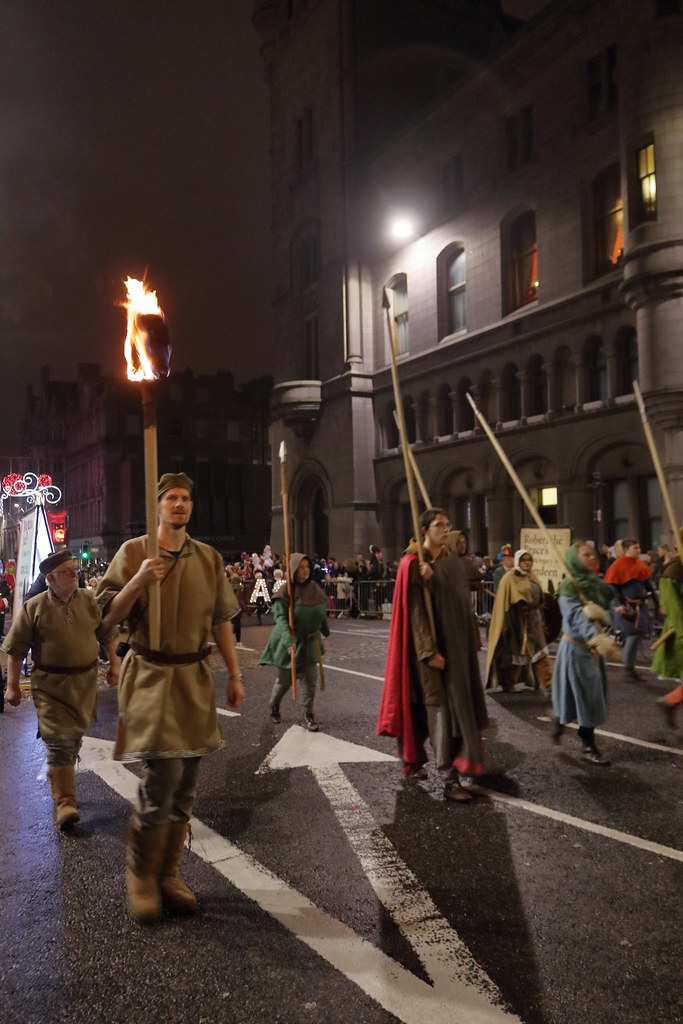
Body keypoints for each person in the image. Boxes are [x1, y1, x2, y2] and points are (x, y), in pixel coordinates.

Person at [97, 472, 243, 924]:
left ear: (191, 507)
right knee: (163, 774)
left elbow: (222, 619)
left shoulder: (209, 558)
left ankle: (168, 873)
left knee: (187, 782)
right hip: (152, 673)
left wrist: (235, 673)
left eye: (185, 499)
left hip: (194, 676)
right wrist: (138, 581)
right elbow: (107, 619)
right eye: (170, 499)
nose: (179, 505)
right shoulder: (135, 552)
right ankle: (140, 875)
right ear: (158, 507)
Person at [2, 548, 156, 831]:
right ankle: (66, 803)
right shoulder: (33, 607)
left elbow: (107, 632)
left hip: (84, 686)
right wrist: (12, 686)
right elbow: (15, 651)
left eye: (75, 570)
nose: (75, 575)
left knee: (72, 740)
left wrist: (114, 664)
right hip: (50, 687)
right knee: (59, 740)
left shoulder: (88, 599)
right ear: (51, 578)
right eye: (68, 572)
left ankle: (59, 774)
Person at [377, 507, 476, 803]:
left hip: (450, 647)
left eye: (448, 524)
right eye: (439, 525)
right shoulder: (412, 563)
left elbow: (458, 597)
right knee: (440, 709)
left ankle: (412, 760)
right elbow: (417, 614)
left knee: (423, 709)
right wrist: (429, 652)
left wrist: (437, 578)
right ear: (425, 530)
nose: (445, 529)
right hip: (425, 653)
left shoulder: (443, 562)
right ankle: (449, 779)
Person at [551, 541, 617, 765]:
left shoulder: (596, 584)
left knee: (586, 695)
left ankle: (560, 719)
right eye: (586, 555)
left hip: (594, 651)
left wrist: (608, 615)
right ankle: (588, 744)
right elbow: (574, 617)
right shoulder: (568, 587)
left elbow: (610, 605)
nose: (593, 557)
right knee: (586, 696)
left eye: (593, 554)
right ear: (574, 559)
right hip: (577, 649)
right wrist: (594, 636)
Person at [260, 553, 329, 731]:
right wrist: (288, 640)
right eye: (301, 568)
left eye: (307, 567)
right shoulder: (285, 591)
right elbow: (281, 619)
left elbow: (320, 612)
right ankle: (274, 705)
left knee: (310, 682)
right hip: (288, 642)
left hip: (309, 644)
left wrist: (324, 629)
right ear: (293, 570)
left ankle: (308, 714)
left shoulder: (314, 589)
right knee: (284, 682)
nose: (305, 571)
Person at [485, 549, 552, 692]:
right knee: (516, 654)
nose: (527, 563)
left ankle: (547, 683)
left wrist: (542, 619)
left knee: (539, 652)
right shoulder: (509, 578)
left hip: (533, 620)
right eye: (523, 560)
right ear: (518, 561)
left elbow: (539, 599)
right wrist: (508, 624)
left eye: (529, 560)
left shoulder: (532, 577)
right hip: (516, 620)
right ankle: (508, 683)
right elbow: (506, 602)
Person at [604, 538, 658, 682]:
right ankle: (628, 669)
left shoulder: (640, 565)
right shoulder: (617, 566)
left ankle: (631, 668)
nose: (639, 551)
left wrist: (658, 603)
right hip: (627, 608)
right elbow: (611, 588)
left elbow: (648, 586)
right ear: (627, 550)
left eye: (639, 548)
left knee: (637, 636)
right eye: (635, 548)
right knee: (633, 637)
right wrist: (617, 605)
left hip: (641, 607)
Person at [651, 536, 683, 727]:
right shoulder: (673, 571)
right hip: (679, 632)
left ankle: (670, 701)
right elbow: (673, 607)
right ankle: (670, 701)